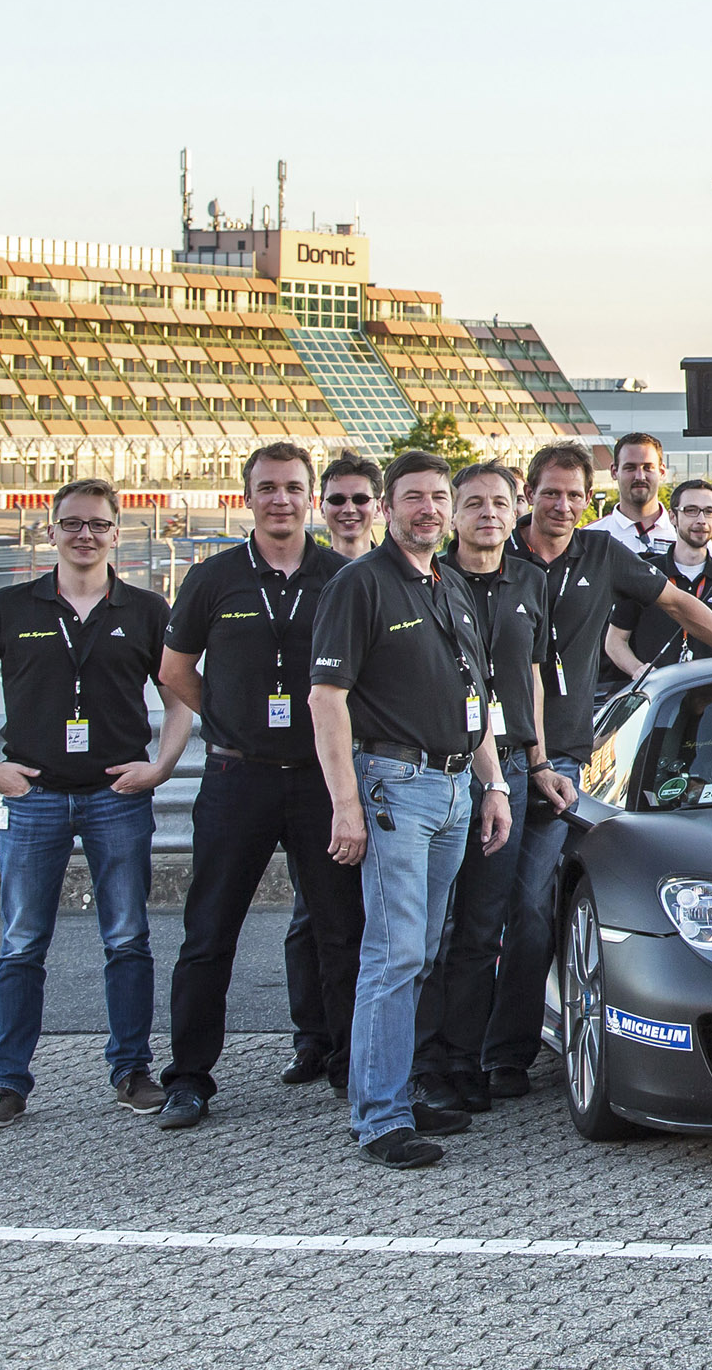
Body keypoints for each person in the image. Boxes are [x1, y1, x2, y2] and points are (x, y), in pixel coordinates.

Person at [487, 444, 712, 1099]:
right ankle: (445, 1058)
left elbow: (681, 606)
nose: (562, 505)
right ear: (529, 494)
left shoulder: (601, 555)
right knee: (470, 912)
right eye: (550, 493)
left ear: (588, 497)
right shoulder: (495, 556)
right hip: (487, 754)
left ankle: (504, 1057)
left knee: (527, 909)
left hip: (563, 761)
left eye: (574, 494)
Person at [0, 478, 177, 1130]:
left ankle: (131, 1071)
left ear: (116, 532)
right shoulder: (11, 605)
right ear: (51, 530)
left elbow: (182, 692)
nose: (85, 534)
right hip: (34, 797)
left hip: (117, 798)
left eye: (98, 524)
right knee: (22, 944)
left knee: (128, 940)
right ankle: (8, 1082)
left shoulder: (146, 607)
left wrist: (162, 763)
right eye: (72, 523)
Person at [305, 450, 514, 1169]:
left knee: (421, 951)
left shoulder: (450, 584)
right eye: (412, 498)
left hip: (456, 786)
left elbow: (477, 700)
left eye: (437, 498)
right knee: (392, 957)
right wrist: (345, 806)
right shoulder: (359, 585)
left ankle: (393, 1088)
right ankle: (380, 1118)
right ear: (387, 510)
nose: (427, 509)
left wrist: (493, 784)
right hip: (394, 785)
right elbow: (326, 700)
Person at [153, 444, 358, 1130]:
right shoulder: (213, 578)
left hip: (319, 780)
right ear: (248, 497)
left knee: (341, 931)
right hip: (236, 777)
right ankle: (188, 1078)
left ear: (310, 499)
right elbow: (174, 670)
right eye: (267, 488)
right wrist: (226, 719)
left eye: (292, 488)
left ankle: (348, 1062)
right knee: (208, 934)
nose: (280, 499)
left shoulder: (342, 576)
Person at [410, 462, 547, 1118]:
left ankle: (465, 1057)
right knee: (430, 925)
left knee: (483, 924)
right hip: (439, 767)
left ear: (514, 509)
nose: (488, 513)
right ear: (453, 515)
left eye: (499, 502)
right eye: (473, 503)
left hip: (509, 770)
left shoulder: (531, 581)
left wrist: (540, 761)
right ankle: (425, 1060)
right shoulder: (429, 582)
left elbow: (533, 677)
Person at [280, 450, 384, 1087]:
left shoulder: (401, 570)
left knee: (370, 917)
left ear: (377, 506)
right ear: (324, 507)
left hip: (392, 762)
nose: (349, 511)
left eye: (360, 500)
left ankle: (358, 1045)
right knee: (310, 914)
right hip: (318, 768)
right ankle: (313, 1037)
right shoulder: (310, 577)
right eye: (337, 501)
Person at [605, 479, 712, 681]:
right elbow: (615, 642)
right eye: (691, 510)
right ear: (673, 516)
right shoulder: (644, 572)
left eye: (709, 511)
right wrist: (638, 671)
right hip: (657, 697)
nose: (701, 520)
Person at [590, 432, 674, 556]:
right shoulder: (590, 537)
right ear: (614, 471)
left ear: (661, 472)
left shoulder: (687, 536)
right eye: (630, 468)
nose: (640, 477)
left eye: (648, 467)